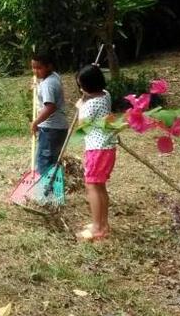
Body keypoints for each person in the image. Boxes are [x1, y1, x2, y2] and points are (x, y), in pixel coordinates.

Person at [74, 64, 117, 241]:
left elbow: (81, 129)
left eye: (80, 85)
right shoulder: (106, 95)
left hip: (96, 150)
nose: (80, 89)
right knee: (100, 187)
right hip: (107, 148)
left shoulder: (89, 105)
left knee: (92, 186)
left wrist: (79, 107)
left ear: (86, 87)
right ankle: (102, 224)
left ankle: (98, 229)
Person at [30, 50, 68, 175]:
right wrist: (38, 86)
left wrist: (35, 122)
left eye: (39, 68)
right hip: (59, 128)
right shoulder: (54, 76)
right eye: (33, 68)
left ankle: (45, 192)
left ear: (49, 66)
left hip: (50, 129)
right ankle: (52, 190)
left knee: (44, 162)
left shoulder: (48, 84)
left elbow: (50, 107)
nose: (35, 71)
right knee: (53, 161)